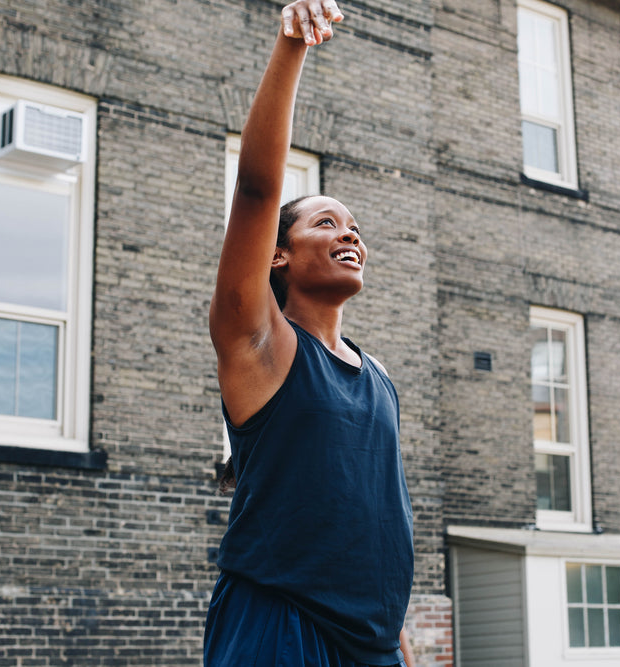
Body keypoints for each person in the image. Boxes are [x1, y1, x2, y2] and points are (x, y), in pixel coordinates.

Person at [204, 1, 415, 666]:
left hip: (371, 643)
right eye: (325, 222)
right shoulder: (259, 344)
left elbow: (380, 534)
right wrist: (291, 46)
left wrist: (400, 648)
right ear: (278, 254)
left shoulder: (378, 378)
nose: (349, 233)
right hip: (279, 627)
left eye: (354, 226)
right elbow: (258, 190)